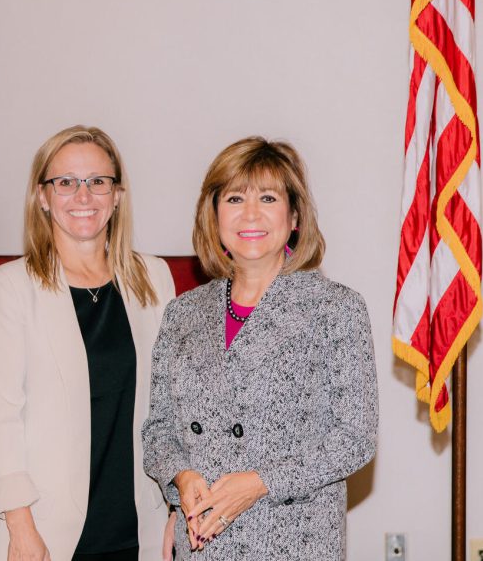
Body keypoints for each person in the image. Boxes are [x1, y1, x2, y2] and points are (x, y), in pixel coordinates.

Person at [141, 137, 378, 560]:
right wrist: (179, 478)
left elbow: (354, 438)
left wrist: (259, 482)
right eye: (234, 198)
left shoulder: (335, 308)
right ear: (213, 215)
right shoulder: (181, 313)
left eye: (267, 197)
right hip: (201, 543)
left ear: (294, 217)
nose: (250, 213)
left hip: (291, 541)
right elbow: (158, 430)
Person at [0, 125, 176, 561]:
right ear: (43, 196)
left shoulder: (155, 279)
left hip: (140, 526)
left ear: (117, 194)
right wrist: (21, 528)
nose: (83, 197)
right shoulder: (9, 287)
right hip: (47, 535)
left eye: (98, 182)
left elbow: (174, 409)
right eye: (65, 182)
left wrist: (176, 508)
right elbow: (1, 418)